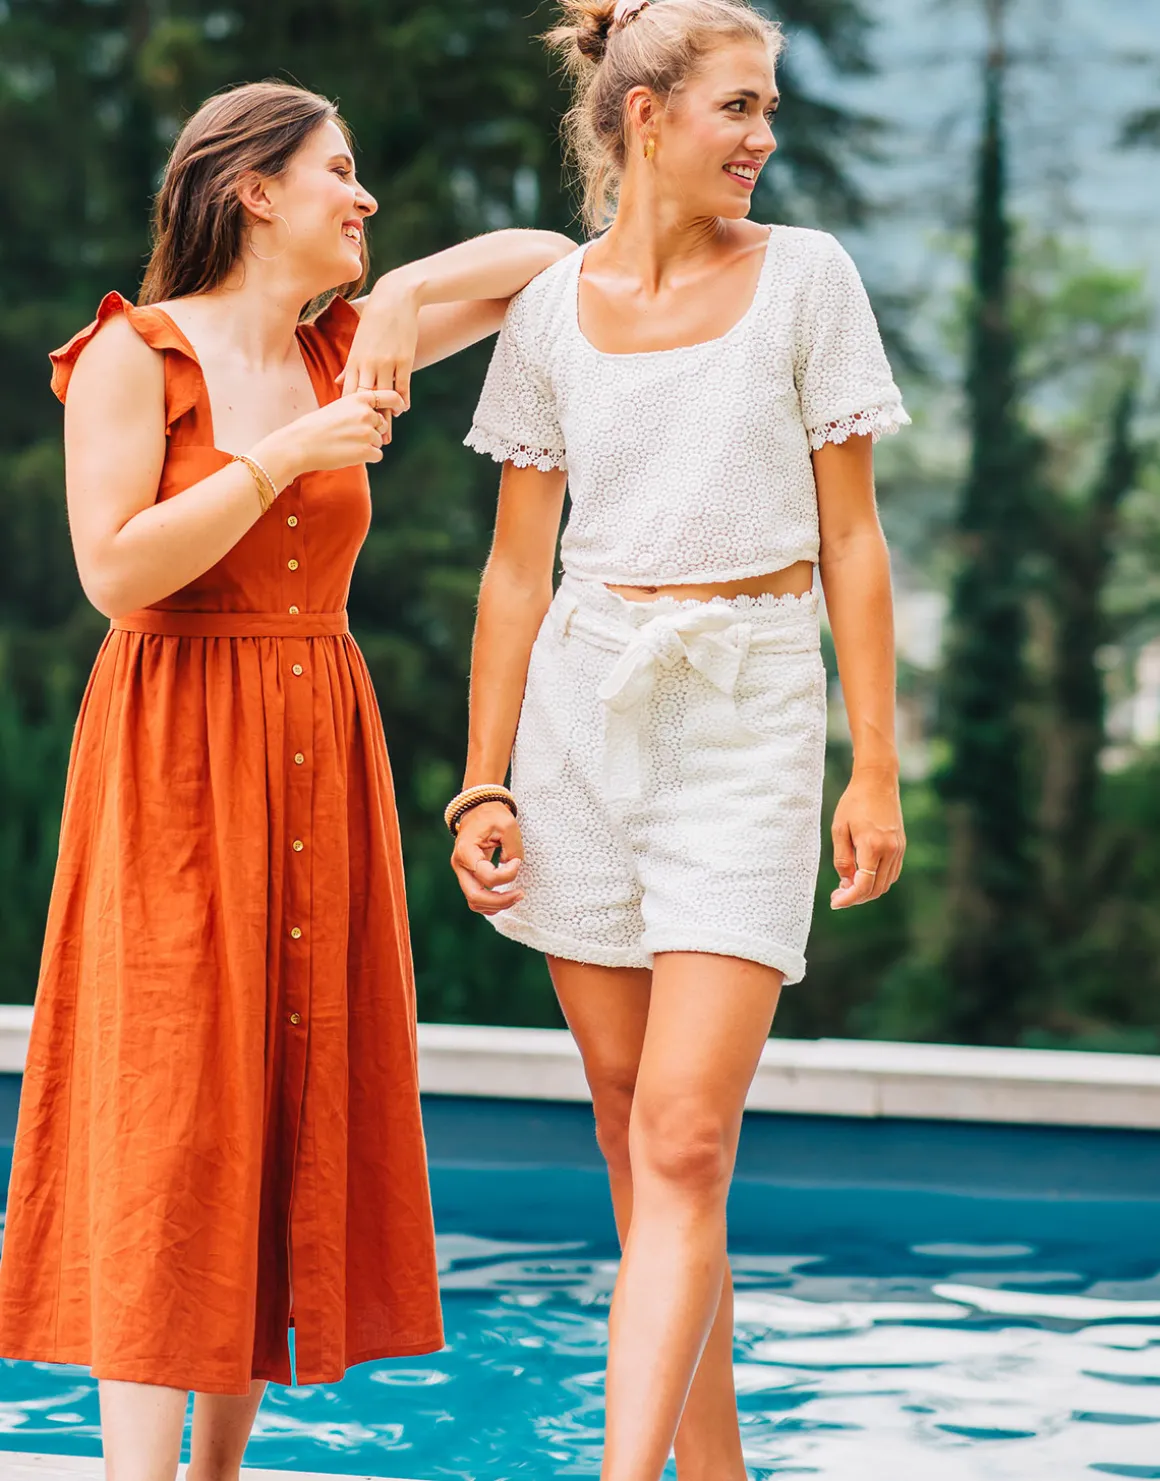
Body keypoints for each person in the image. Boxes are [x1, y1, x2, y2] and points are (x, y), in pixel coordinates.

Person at [0, 79, 573, 1481]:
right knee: (175, 1105)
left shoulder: (345, 346)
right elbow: (113, 571)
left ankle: (218, 1473)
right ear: (254, 190)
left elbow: (550, 263)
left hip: (319, 733)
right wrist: (280, 457)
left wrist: (403, 296)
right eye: (339, 170)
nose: (365, 197)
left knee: (285, 1081)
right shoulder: (134, 353)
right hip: (177, 747)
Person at [448, 1, 909, 1477]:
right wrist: (483, 781)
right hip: (581, 716)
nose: (763, 137)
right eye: (739, 107)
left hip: (750, 712)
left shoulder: (807, 279)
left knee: (688, 1138)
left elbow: (855, 537)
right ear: (645, 115)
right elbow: (516, 569)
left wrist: (876, 764)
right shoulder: (548, 312)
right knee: (625, 1122)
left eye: (769, 108)